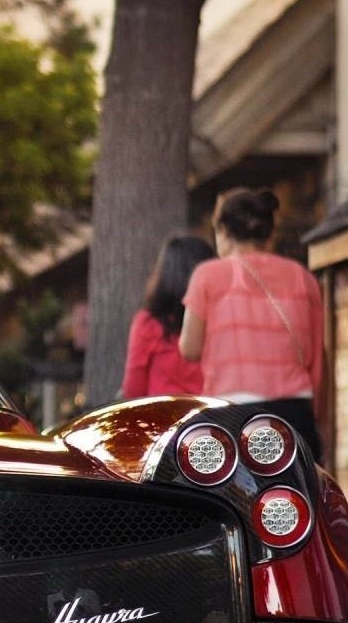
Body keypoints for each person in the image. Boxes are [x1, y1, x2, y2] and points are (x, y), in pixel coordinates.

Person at [179, 187, 326, 461]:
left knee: (237, 499)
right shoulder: (302, 277)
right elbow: (317, 356)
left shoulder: (208, 275)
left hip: (232, 411)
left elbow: (189, 347)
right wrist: (320, 418)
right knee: (292, 497)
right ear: (269, 233)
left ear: (222, 230)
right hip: (294, 412)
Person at [119, 235, 215, 399]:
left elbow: (133, 390)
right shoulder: (219, 323)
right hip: (212, 420)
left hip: (163, 420)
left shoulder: (148, 323)